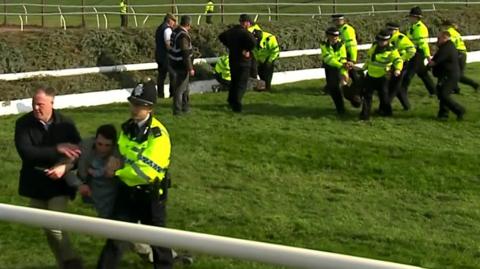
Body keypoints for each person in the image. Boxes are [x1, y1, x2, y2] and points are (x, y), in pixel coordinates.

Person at [97, 78, 174, 269]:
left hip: (150, 195)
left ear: (150, 108)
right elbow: (122, 153)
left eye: (139, 105)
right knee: (115, 239)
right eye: (133, 103)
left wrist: (117, 171)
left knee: (159, 244)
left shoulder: (158, 135)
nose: (134, 109)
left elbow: (147, 171)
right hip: (127, 193)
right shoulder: (127, 128)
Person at [14, 87, 84, 269]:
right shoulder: (23, 124)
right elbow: (27, 153)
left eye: (40, 104)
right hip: (36, 184)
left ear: (52, 103)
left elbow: (79, 153)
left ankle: (72, 262)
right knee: (47, 228)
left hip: (60, 183)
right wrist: (56, 149)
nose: (36, 108)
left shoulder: (66, 124)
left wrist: (65, 166)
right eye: (33, 104)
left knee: (54, 225)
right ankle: (64, 264)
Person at [65, 124, 119, 219]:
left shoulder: (119, 153)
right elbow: (65, 167)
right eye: (99, 144)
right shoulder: (85, 147)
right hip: (88, 193)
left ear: (113, 145)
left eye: (107, 145)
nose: (103, 149)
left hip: (112, 196)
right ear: (95, 140)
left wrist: (116, 170)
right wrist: (79, 185)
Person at [360, 30, 403, 120]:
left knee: (383, 96)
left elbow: (398, 60)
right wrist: (364, 68)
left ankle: (387, 112)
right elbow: (370, 59)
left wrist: (398, 69)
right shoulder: (374, 46)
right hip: (370, 75)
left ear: (387, 41)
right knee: (367, 95)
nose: (381, 42)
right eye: (379, 40)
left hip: (383, 76)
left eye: (383, 41)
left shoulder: (391, 50)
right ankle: (365, 115)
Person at [218, 14, 257, 112]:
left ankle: (231, 100)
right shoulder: (245, 33)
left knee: (234, 82)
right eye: (249, 23)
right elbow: (254, 43)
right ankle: (237, 105)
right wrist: (246, 50)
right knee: (241, 84)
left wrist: (229, 45)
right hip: (243, 62)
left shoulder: (231, 31)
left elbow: (221, 36)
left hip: (233, 60)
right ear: (246, 23)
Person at [428, 31, 465, 120]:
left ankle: (459, 110)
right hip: (446, 74)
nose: (437, 40)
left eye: (439, 38)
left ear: (445, 38)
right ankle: (443, 114)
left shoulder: (447, 48)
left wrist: (430, 63)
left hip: (449, 75)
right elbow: (436, 58)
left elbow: (437, 60)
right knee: (441, 93)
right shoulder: (446, 46)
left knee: (444, 94)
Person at [403, 6, 436, 99]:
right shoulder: (412, 27)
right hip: (414, 52)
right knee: (423, 74)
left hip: (417, 53)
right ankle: (433, 91)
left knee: (408, 74)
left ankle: (402, 90)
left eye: (411, 16)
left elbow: (423, 44)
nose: (409, 18)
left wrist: (428, 56)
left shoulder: (421, 28)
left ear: (416, 17)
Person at [441, 20, 479, 93]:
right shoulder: (455, 32)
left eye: (442, 27)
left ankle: (475, 85)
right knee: (453, 73)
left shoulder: (448, 32)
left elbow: (449, 44)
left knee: (457, 75)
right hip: (462, 54)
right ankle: (456, 89)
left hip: (458, 54)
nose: (442, 28)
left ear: (446, 26)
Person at [385, 22, 416, 110]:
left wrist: (401, 59)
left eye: (391, 30)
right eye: (388, 29)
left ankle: (385, 107)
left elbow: (412, 50)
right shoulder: (391, 38)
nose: (389, 31)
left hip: (401, 64)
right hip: (394, 64)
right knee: (396, 86)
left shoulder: (400, 38)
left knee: (393, 86)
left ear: (396, 30)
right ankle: (406, 105)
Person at [320, 27, 350, 114]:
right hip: (330, 68)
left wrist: (344, 68)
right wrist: (341, 65)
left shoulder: (341, 44)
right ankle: (340, 109)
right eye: (333, 36)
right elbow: (328, 58)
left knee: (338, 88)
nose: (335, 37)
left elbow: (343, 57)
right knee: (333, 88)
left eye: (337, 35)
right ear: (328, 36)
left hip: (339, 67)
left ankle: (343, 108)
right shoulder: (324, 44)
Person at [168, 15, 194, 116]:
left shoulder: (175, 31)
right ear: (188, 24)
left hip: (174, 63)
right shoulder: (183, 35)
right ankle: (177, 110)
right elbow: (185, 53)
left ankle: (186, 107)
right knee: (180, 88)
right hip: (181, 65)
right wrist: (190, 68)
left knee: (186, 88)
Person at [155, 13, 177, 98]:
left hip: (159, 56)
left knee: (161, 76)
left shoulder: (159, 28)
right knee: (173, 75)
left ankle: (160, 94)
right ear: (169, 20)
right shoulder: (167, 30)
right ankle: (172, 93)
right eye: (173, 21)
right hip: (167, 57)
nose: (174, 23)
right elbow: (168, 44)